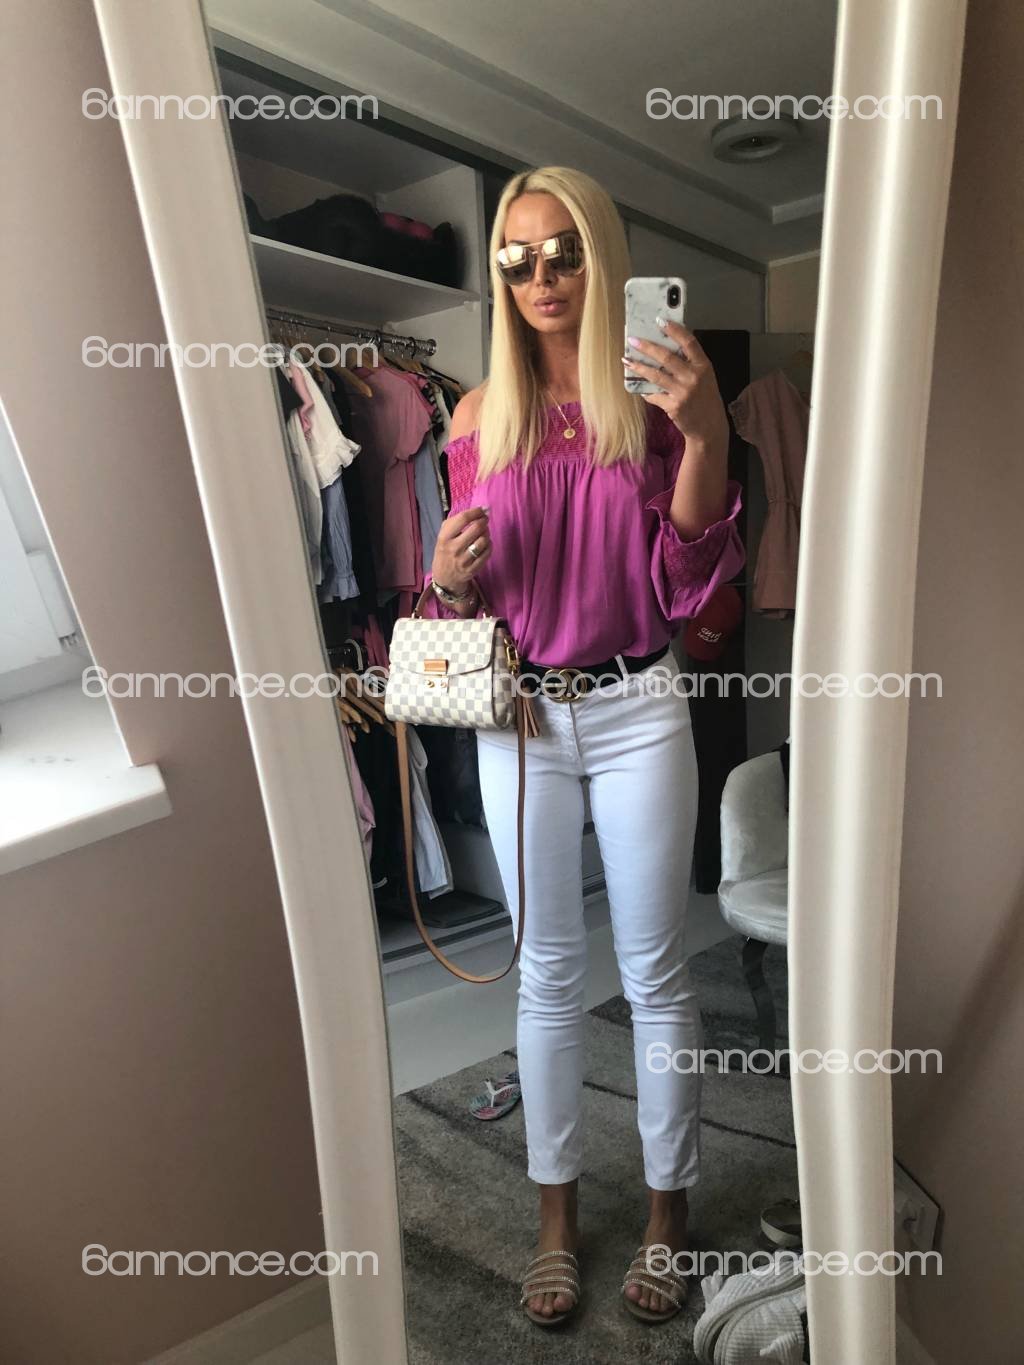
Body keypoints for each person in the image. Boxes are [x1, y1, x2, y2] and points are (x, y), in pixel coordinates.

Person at [423, 166, 745, 1326]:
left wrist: (704, 432)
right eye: (516, 259)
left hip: (637, 704)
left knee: (655, 971)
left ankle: (667, 1211)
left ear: (601, 260)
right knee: (548, 972)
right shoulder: (475, 417)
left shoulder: (649, 398)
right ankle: (554, 1218)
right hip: (522, 717)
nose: (541, 276)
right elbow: (469, 594)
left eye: (563, 252)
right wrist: (447, 581)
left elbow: (691, 579)